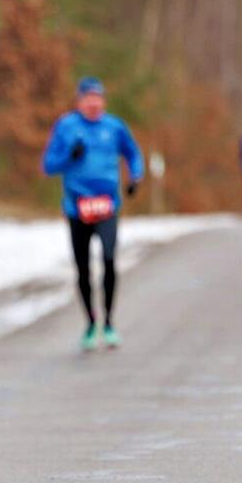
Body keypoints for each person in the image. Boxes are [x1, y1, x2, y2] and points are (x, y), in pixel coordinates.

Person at [42, 77, 144, 351]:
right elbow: (49, 165)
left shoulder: (114, 126)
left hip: (107, 205)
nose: (94, 103)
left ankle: (109, 322)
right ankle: (90, 321)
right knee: (83, 268)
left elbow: (133, 154)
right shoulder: (66, 126)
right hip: (78, 207)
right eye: (89, 98)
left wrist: (135, 176)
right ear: (79, 101)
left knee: (109, 260)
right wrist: (69, 157)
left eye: (98, 98)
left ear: (104, 101)